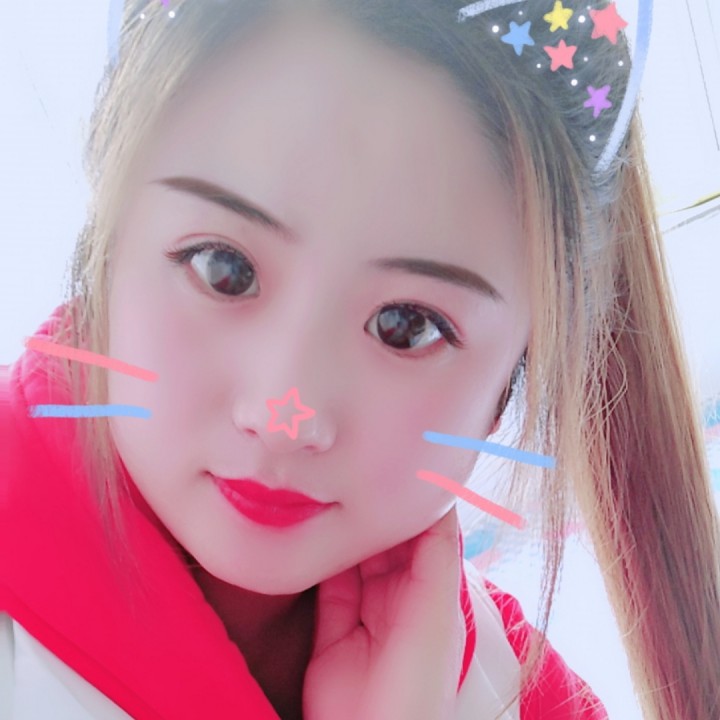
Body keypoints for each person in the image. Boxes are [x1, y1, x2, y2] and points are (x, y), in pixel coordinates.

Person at [1, 0, 719, 718]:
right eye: (224, 269)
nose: (285, 415)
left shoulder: (524, 696)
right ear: (109, 241)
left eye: (407, 327)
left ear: (513, 380)